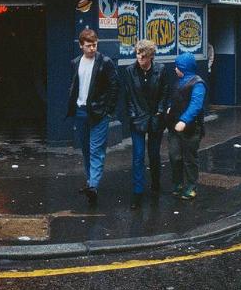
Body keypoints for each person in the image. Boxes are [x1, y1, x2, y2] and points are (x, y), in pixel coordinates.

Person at [66, 29, 119, 206]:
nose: (92, 48)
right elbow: (74, 85)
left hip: (99, 113)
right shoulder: (75, 62)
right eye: (88, 45)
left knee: (96, 150)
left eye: (94, 45)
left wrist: (108, 110)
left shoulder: (105, 62)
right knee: (86, 149)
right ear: (81, 45)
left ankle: (94, 186)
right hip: (80, 112)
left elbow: (114, 86)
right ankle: (90, 183)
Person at [123, 39, 170, 208]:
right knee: (138, 156)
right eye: (137, 55)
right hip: (138, 118)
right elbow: (128, 95)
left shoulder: (161, 70)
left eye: (143, 56)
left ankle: (155, 183)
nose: (140, 59)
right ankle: (137, 192)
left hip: (155, 117)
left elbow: (165, 92)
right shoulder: (129, 71)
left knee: (154, 154)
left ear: (151, 57)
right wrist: (133, 114)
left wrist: (159, 111)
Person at [165, 52, 207, 201]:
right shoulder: (179, 81)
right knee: (175, 156)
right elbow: (175, 99)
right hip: (174, 127)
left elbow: (196, 105)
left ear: (184, 67)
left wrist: (184, 120)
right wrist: (170, 107)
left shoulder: (198, 84)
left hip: (190, 128)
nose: (175, 69)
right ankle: (178, 184)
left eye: (177, 66)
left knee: (190, 159)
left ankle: (191, 187)